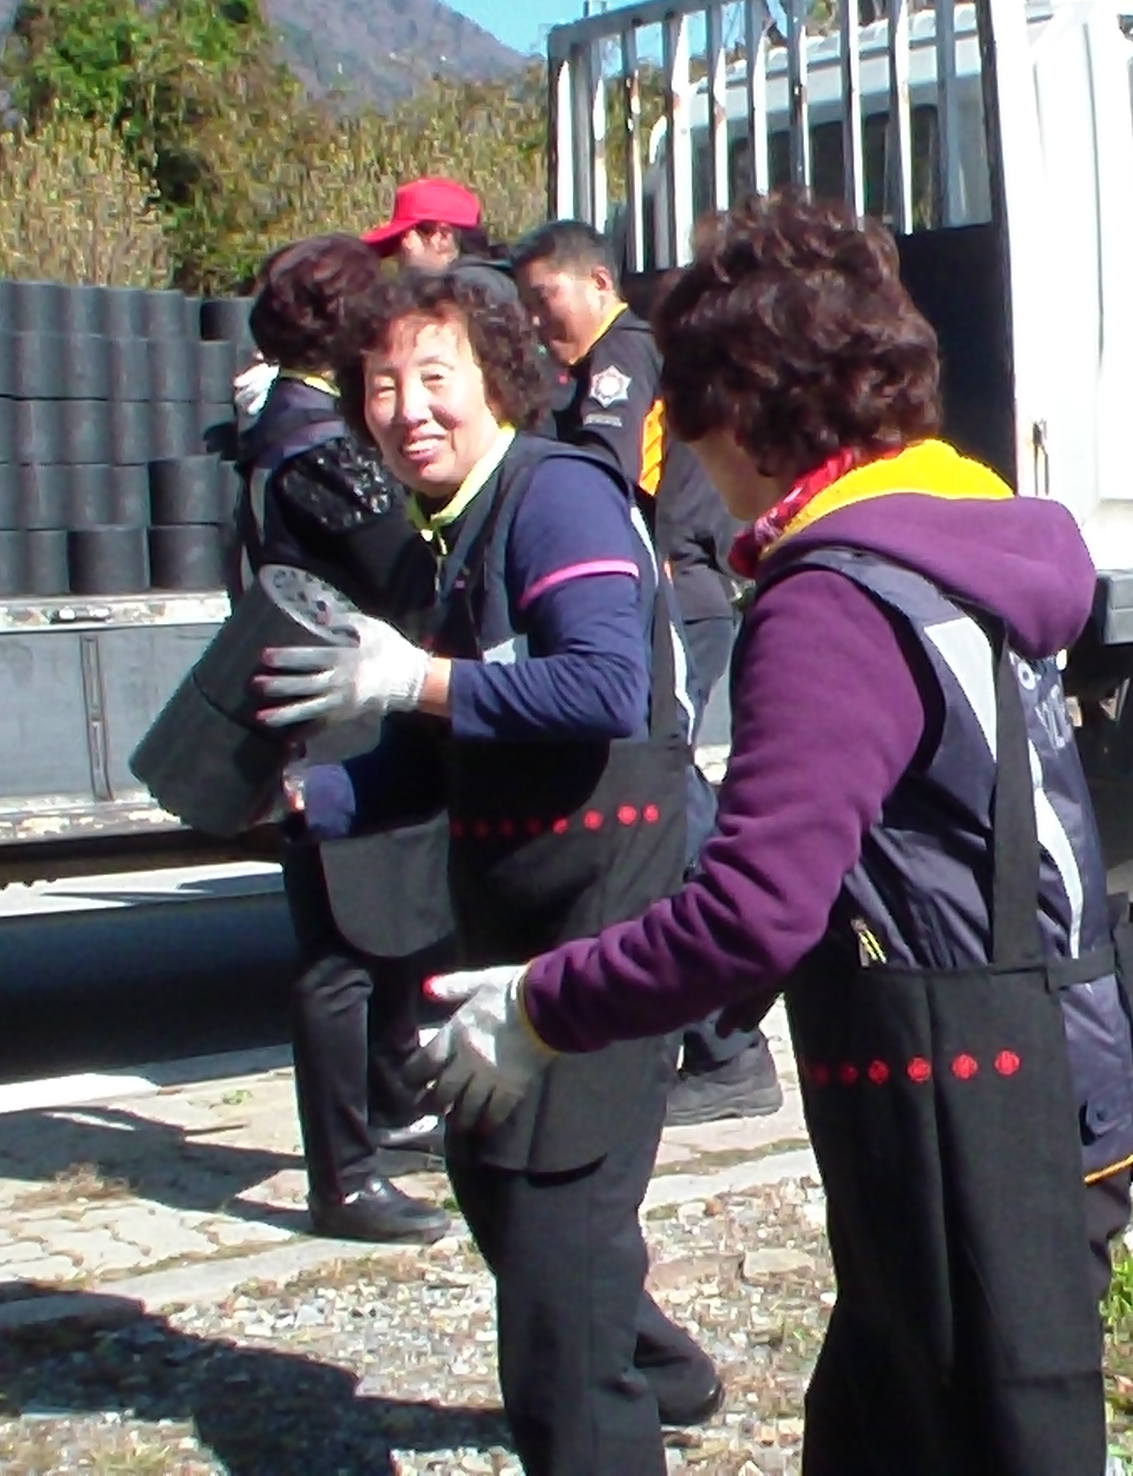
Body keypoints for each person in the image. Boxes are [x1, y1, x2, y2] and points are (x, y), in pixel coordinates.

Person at [412, 192, 1133, 1476]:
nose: (683, 455)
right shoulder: (962, 525)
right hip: (1075, 1055)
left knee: (962, 1431)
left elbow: (755, 909)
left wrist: (544, 1007)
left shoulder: (831, 598)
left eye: (687, 411)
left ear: (746, 408)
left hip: (967, 1106)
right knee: (897, 1414)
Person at [261, 267, 721, 1472]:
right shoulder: (445, 532)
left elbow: (603, 687)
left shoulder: (554, 496)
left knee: (555, 1256)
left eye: (435, 376)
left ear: (499, 382)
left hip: (607, 923)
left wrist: (410, 676)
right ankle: (667, 1373)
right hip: (505, 930)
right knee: (497, 1181)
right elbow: (441, 752)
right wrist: (314, 797)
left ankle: (605, 1412)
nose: (407, 408)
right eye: (380, 386)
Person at [509, 218, 773, 1125]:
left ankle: (729, 1043)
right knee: (666, 812)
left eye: (545, 298)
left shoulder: (623, 357)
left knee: (669, 817)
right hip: (673, 601)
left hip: (675, 606)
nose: (536, 320)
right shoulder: (591, 369)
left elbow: (601, 478)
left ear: (597, 283)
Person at [231, 234, 448, 1245]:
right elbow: (403, 567)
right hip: (341, 715)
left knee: (385, 931)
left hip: (327, 707)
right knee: (341, 956)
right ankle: (343, 1178)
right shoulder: (320, 447)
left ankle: (395, 1107)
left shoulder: (275, 425)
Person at [364, 177, 497, 274]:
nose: (399, 255)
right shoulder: (487, 285)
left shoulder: (468, 294)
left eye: (403, 238)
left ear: (443, 236)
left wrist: (416, 272)